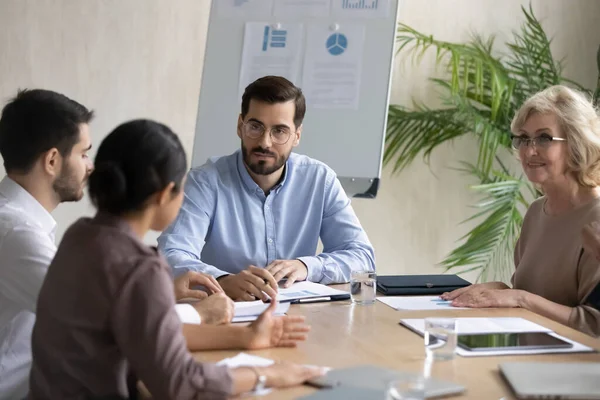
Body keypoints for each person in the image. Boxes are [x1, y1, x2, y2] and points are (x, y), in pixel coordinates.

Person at [0, 90, 306, 399]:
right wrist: (266, 373)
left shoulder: (79, 235)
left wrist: (165, 295)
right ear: (163, 194)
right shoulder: (24, 233)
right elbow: (175, 378)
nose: (88, 165)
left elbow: (105, 314)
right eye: (82, 154)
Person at [158, 76, 375, 301]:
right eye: (255, 127)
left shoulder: (320, 179)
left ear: (296, 136)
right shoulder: (205, 181)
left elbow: (362, 257)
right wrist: (221, 280)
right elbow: (172, 254)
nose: (265, 142)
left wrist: (307, 266)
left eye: (279, 131)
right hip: (227, 314)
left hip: (301, 315)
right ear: (240, 126)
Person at [441, 85, 600, 337]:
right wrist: (502, 289)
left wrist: (520, 298)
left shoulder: (596, 218)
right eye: (524, 138)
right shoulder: (537, 212)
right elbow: (535, 296)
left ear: (576, 143)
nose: (529, 150)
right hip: (524, 356)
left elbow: (593, 324)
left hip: (572, 365)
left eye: (544, 138)